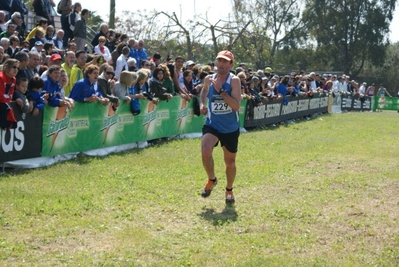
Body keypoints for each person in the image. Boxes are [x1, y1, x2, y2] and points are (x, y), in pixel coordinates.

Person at [199, 50, 241, 205]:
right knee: (205, 150)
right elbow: (203, 93)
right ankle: (212, 179)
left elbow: (236, 106)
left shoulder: (234, 81)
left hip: (230, 127)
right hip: (213, 124)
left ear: (231, 64)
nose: (222, 64)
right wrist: (202, 104)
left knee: (230, 162)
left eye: (225, 62)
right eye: (219, 61)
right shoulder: (208, 79)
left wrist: (222, 92)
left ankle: (229, 189)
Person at [0, 58, 20, 128]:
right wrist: (6, 97)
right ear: (7, 67)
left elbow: (10, 96)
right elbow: (0, 97)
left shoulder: (13, 79)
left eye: (17, 68)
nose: (16, 69)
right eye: (14, 67)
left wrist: (6, 97)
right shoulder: (1, 77)